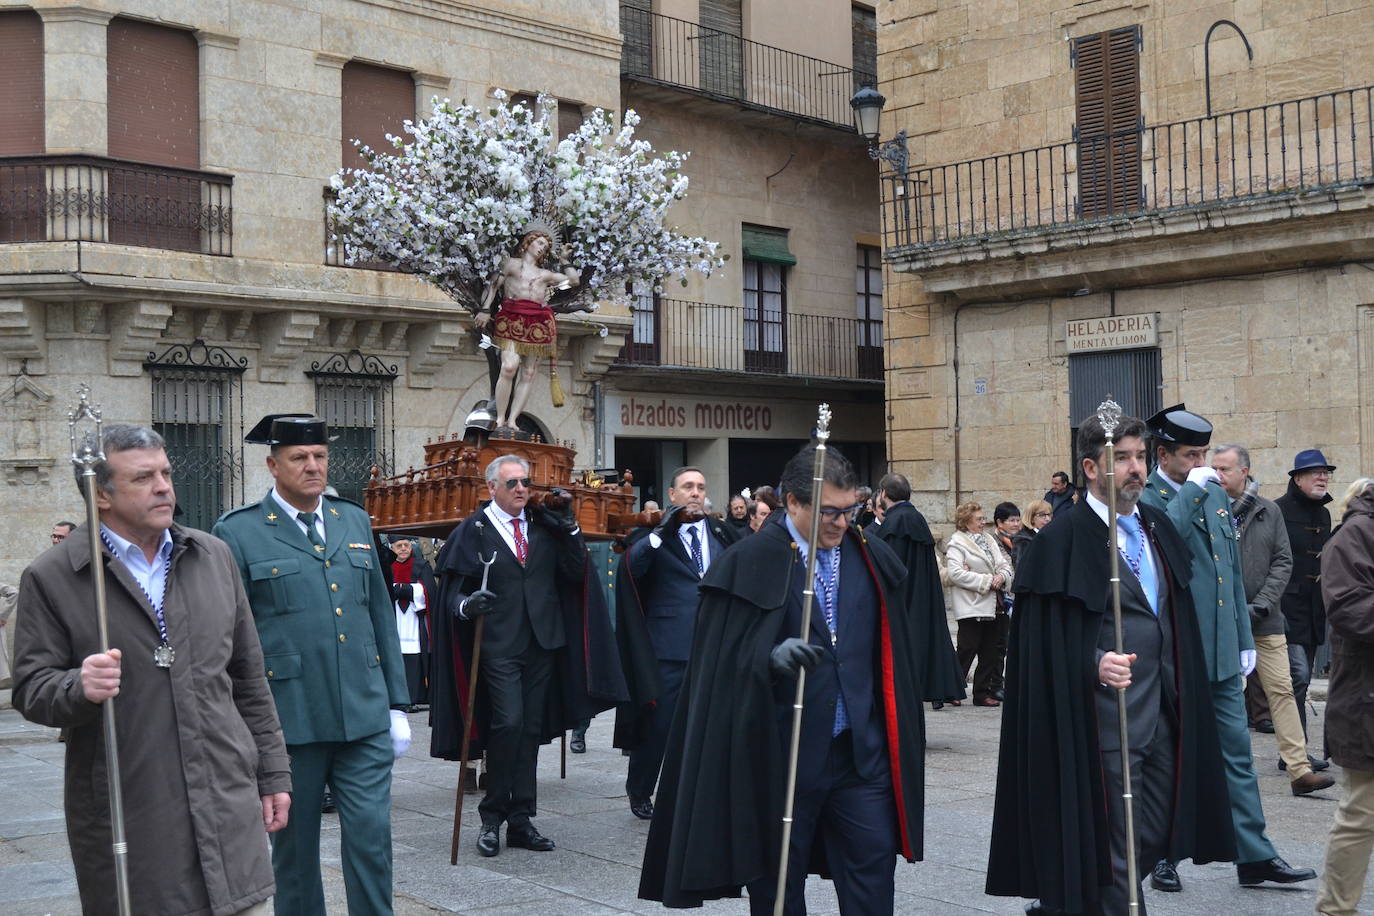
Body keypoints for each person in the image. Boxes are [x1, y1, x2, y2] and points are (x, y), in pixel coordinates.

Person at [15, 424, 291, 915]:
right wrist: (76, 685)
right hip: (132, 813)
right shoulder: (54, 575)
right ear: (101, 494)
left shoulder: (213, 556)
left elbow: (248, 678)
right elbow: (31, 688)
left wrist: (272, 774)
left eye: (166, 472)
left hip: (227, 804)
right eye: (143, 478)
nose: (164, 486)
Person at [640, 444, 925, 914]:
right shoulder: (748, 560)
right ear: (793, 502)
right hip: (781, 762)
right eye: (829, 512)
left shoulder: (869, 555)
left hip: (859, 756)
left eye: (849, 510)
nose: (841, 522)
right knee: (778, 890)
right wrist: (768, 657)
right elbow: (718, 661)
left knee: (873, 877)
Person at [987, 412, 1234, 914]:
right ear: (1091, 467)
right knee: (1117, 843)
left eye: (1140, 456)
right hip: (1104, 719)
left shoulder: (1156, 526)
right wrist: (1092, 660)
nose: (1135, 468)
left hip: (1167, 710)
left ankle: (1072, 898)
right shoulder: (1063, 538)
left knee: (1163, 823)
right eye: (1120, 458)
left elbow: (1173, 613)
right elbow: (1036, 640)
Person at [213, 414, 410, 916]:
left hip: (362, 714)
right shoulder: (240, 532)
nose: (312, 465)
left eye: (320, 456)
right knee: (294, 851)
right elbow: (231, 636)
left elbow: (378, 612)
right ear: (273, 465)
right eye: (299, 457)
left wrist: (397, 702)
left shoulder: (354, 519)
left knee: (371, 838)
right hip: (289, 720)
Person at [1139, 405, 1315, 893]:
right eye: (1191, 455)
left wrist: (1241, 640)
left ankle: (1254, 854)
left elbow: (1229, 572)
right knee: (1170, 755)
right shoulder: (1148, 496)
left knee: (1237, 755)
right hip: (1174, 653)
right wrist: (1193, 490)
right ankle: (1162, 856)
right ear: (1163, 454)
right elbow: (1164, 540)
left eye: (1205, 455)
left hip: (1217, 648)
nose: (1203, 464)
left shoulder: (1214, 496)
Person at [430, 455, 625, 856]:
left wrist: (570, 524)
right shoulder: (475, 531)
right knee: (509, 723)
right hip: (498, 645)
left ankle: (521, 819)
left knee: (530, 731)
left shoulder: (544, 528)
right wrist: (469, 604)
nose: (521, 488)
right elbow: (451, 595)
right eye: (512, 482)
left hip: (543, 642)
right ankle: (491, 816)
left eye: (525, 482)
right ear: (492, 489)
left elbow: (574, 572)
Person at [615, 466, 742, 819]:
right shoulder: (654, 536)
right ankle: (640, 790)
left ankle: (702, 791)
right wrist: (659, 533)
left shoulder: (720, 531)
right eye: (687, 487)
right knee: (659, 725)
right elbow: (631, 568)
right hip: (668, 647)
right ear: (673, 495)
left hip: (715, 645)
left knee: (711, 724)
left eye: (701, 487)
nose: (695, 493)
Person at [1212, 445, 1333, 795]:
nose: (1216, 475)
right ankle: (1223, 771)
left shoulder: (1268, 511)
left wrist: (1261, 605)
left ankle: (1298, 769)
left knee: (1282, 688)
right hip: (1221, 620)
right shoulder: (1207, 509)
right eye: (1214, 468)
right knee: (1227, 693)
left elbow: (1283, 562)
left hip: (1265, 620)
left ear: (1244, 472)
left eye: (1224, 469)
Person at [1316, 477, 1374, 916]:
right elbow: (1349, 606)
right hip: (1366, 699)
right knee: (1361, 813)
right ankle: (1336, 910)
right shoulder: (1355, 534)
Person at [869, 472, 965, 710]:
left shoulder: (896, 522)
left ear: (883, 494)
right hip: (922, 600)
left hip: (904, 603)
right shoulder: (915, 518)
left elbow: (891, 569)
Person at [474, 230, 581, 431]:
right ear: (528, 242)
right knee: (509, 366)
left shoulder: (546, 275)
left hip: (537, 323)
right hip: (512, 318)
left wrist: (564, 260)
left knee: (529, 372)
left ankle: (512, 420)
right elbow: (494, 285)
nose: (542, 248)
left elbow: (573, 282)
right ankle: (500, 418)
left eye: (545, 247)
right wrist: (485, 309)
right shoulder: (511, 264)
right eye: (539, 243)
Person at [1275, 448, 1337, 747]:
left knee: (1302, 680)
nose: (1323, 477)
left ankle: (1294, 752)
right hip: (1285, 608)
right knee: (1297, 677)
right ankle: (1295, 751)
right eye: (1316, 472)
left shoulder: (1324, 514)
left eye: (1326, 472)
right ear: (1298, 478)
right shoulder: (1278, 510)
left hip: (1314, 610)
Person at [945, 502, 1013, 707]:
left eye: (984, 518)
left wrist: (1001, 577)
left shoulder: (989, 539)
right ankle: (952, 689)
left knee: (990, 650)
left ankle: (982, 693)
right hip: (971, 604)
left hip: (994, 603)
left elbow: (1004, 564)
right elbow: (956, 573)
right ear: (966, 521)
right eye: (979, 519)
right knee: (967, 648)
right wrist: (986, 581)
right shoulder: (957, 543)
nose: (983, 522)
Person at [391, 536, 436, 712]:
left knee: (416, 654)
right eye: (399, 546)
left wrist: (410, 590)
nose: (403, 548)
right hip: (396, 618)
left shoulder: (421, 566)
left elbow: (430, 590)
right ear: (392, 548)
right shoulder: (388, 567)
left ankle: (416, 696)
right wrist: (396, 589)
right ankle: (400, 697)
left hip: (415, 619)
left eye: (406, 545)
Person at [1013, 498, 1052, 567]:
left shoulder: (1049, 535)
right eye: (1042, 515)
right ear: (1031, 518)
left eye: (1049, 515)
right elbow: (1022, 567)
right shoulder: (1023, 540)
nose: (1048, 519)